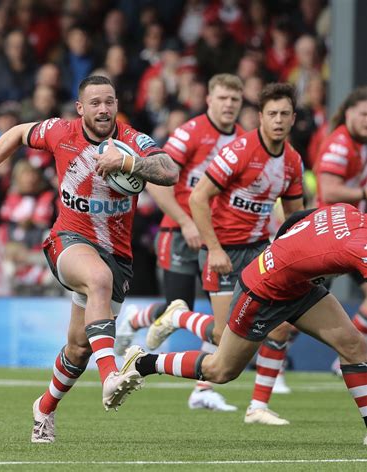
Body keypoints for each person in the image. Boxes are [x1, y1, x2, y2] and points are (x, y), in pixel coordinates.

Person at [0, 75, 179, 443]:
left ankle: (44, 408)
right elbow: (17, 132)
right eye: (94, 102)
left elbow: (169, 171)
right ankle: (111, 374)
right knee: (97, 279)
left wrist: (128, 165)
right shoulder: (60, 132)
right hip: (69, 240)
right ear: (80, 108)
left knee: (78, 349)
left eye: (109, 101)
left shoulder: (131, 141)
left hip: (117, 254)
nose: (103, 109)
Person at [122, 203, 367, 445]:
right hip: (263, 289)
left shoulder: (346, 211)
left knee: (353, 345)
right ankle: (143, 362)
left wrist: (288, 256)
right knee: (221, 370)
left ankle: (259, 406)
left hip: (297, 284)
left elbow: (297, 219)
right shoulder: (362, 246)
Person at [146, 83, 305, 425]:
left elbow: (295, 217)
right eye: (272, 114)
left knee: (280, 327)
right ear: (260, 117)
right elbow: (197, 197)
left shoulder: (292, 161)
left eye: (284, 114)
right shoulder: (239, 150)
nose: (278, 120)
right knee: (223, 337)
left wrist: (298, 259)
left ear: (293, 119)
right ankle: (176, 317)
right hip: (223, 250)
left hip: (260, 250)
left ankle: (258, 406)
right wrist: (213, 247)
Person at [116, 73, 245, 412]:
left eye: (235, 99)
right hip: (178, 231)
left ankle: (202, 388)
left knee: (221, 317)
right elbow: (156, 181)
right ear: (209, 100)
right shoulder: (190, 133)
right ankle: (135, 317)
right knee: (180, 308)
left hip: (218, 238)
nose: (229, 105)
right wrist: (186, 221)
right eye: (223, 98)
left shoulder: (244, 141)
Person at [315, 86, 367, 371]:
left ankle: (344, 359)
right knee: (300, 308)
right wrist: (364, 193)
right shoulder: (339, 144)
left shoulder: (362, 144)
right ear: (349, 113)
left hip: (354, 235)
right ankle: (273, 368)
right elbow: (329, 190)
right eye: (364, 114)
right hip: (328, 237)